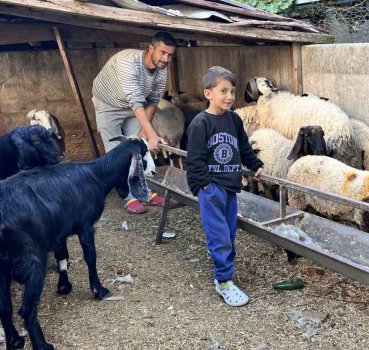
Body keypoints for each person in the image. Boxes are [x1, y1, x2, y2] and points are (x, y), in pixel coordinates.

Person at [186, 66, 263, 307]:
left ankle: (219, 257)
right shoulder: (200, 123)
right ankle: (224, 281)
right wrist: (204, 185)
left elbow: (243, 147)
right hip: (211, 188)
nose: (229, 96)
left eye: (232, 91)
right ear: (208, 93)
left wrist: (255, 164)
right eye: (223, 91)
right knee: (220, 236)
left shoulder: (234, 120)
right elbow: (194, 159)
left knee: (229, 232)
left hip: (231, 185)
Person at [92, 32, 177, 214]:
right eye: (162, 52)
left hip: (133, 106)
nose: (166, 58)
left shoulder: (162, 70)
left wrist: (145, 134)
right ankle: (128, 195)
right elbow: (135, 101)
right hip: (108, 104)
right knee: (117, 151)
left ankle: (144, 191)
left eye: (170, 55)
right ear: (151, 48)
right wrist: (153, 135)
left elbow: (153, 100)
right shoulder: (128, 62)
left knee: (139, 148)